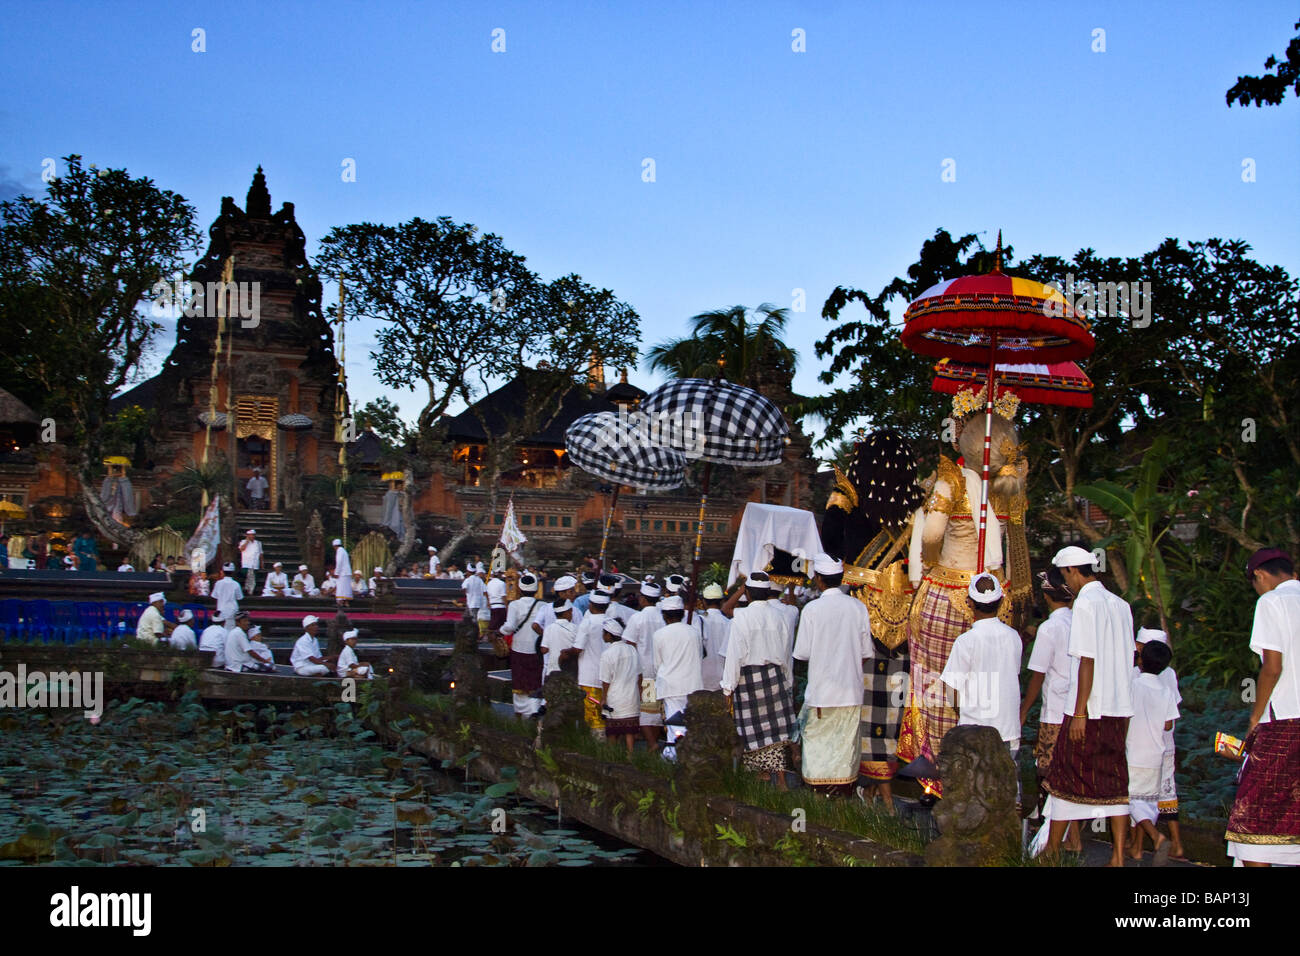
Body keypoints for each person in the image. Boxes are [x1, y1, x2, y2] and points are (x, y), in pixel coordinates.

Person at [1042, 545, 1136, 866]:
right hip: (1119, 707)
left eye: (1065, 576)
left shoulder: (1085, 603)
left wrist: (1080, 711)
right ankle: (1119, 856)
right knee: (1115, 779)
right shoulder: (1121, 605)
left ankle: (1053, 850)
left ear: (1071, 572)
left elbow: (1087, 660)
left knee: (1064, 776)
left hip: (1089, 707)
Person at [1225, 547, 1300, 867]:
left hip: (1283, 719)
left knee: (1252, 812)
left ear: (1260, 575)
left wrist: (1254, 718)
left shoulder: (1271, 601)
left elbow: (1272, 667)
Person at [793, 556, 872, 794]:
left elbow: (802, 653)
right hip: (850, 692)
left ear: (818, 579)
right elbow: (866, 652)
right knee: (844, 751)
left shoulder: (812, 610)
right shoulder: (858, 607)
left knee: (818, 750)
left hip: (822, 693)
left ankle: (819, 801)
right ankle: (841, 798)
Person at [940, 573, 1023, 795]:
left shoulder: (966, 641)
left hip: (973, 732)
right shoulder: (1014, 637)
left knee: (973, 796)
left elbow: (951, 689)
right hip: (1007, 730)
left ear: (969, 603)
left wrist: (965, 713)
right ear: (1001, 602)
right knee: (1005, 795)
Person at [1021, 567, 1080, 849]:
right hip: (1079, 710)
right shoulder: (1080, 622)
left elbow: (1037, 675)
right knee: (1069, 772)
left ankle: (1053, 839)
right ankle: (1073, 838)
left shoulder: (1050, 628)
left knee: (1047, 772)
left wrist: (1023, 711)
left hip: (1055, 712)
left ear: (1046, 595)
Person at [722, 573, 798, 788]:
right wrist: (788, 681)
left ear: (747, 593)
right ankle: (781, 781)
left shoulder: (742, 617)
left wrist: (728, 688)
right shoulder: (781, 617)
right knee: (777, 733)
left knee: (753, 735)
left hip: (748, 681)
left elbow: (735, 654)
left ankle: (762, 778)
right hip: (776, 677)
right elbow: (786, 654)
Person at [1132, 627, 1185, 860]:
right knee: (1159, 797)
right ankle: (1170, 845)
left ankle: (1150, 839)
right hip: (1162, 747)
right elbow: (1169, 722)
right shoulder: (1169, 674)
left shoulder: (1135, 677)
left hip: (1137, 748)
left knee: (1132, 798)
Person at [652, 594, 704, 760]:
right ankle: (688, 755)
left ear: (665, 615)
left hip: (670, 685)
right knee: (689, 724)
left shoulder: (659, 634)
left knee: (673, 724)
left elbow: (657, 664)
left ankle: (674, 756)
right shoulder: (694, 633)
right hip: (692, 685)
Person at [623, 581, 666, 749]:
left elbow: (629, 643)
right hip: (662, 669)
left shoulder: (638, 617)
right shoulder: (663, 615)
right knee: (654, 710)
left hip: (644, 669)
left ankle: (652, 743)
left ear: (643, 599)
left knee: (647, 711)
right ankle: (652, 745)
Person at [500, 572, 547, 718]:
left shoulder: (515, 605)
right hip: (538, 649)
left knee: (520, 682)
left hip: (519, 648)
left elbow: (510, 627)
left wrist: (500, 630)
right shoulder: (544, 605)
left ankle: (520, 713)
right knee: (535, 680)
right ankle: (534, 710)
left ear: (520, 589)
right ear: (536, 589)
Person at [572, 590, 612, 736]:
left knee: (592, 714)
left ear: (591, 605)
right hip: (609, 677)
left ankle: (597, 745)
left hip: (589, 677)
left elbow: (577, 649)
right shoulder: (612, 622)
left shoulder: (587, 623)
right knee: (606, 711)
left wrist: (565, 653)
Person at [599, 618, 640, 754]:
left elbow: (606, 680)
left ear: (609, 635)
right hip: (631, 695)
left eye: (604, 633)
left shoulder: (607, 654)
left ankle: (612, 754)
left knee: (612, 730)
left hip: (615, 695)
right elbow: (639, 674)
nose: (603, 635)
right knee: (629, 729)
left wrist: (603, 698)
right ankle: (631, 754)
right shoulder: (632, 650)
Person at [699, 583, 731, 692]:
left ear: (703, 601)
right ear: (722, 601)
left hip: (701, 680)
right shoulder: (729, 623)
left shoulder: (698, 621)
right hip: (723, 681)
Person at [540, 598, 578, 679]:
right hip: (570, 670)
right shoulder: (575, 628)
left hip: (552, 670)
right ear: (568, 612)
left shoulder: (549, 628)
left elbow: (544, 650)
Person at [461, 565, 488, 636]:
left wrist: (467, 592)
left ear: (468, 572)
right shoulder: (479, 580)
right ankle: (468, 631)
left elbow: (464, 588)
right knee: (466, 617)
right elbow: (485, 591)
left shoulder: (468, 580)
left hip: (472, 603)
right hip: (478, 602)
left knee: (474, 620)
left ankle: (474, 634)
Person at [238, 529, 262, 594]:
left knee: (253, 578)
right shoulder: (243, 542)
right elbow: (241, 549)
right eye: (250, 535)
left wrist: (262, 563)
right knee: (247, 577)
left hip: (255, 564)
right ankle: (247, 590)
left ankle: (251, 591)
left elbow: (260, 553)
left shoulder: (258, 543)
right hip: (246, 564)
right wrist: (247, 541)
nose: (252, 536)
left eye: (253, 535)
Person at [333, 539, 353, 606]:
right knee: (346, 587)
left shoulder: (339, 551)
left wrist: (336, 573)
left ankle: (340, 602)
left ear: (335, 546)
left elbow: (339, 562)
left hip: (342, 572)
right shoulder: (343, 551)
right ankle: (346, 602)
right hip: (346, 572)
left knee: (341, 587)